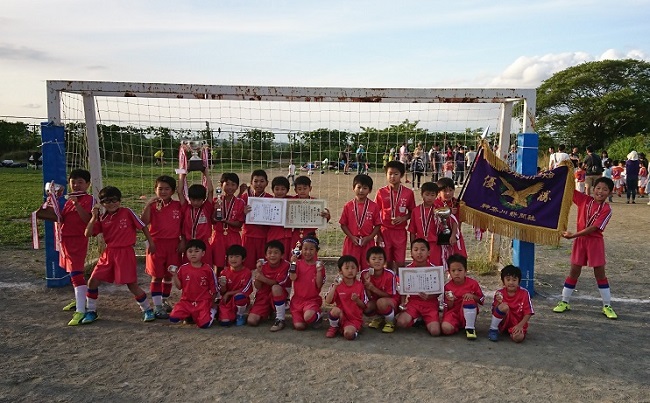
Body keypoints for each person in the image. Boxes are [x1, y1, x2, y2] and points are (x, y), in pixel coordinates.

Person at [82, 186, 156, 324]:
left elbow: (143, 226)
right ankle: (91, 310)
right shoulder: (102, 218)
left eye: (114, 200)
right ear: (102, 203)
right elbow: (87, 233)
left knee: (131, 284)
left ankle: (147, 309)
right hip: (109, 253)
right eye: (107, 201)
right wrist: (93, 217)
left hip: (125, 252)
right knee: (92, 281)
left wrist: (150, 242)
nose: (111, 204)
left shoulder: (127, 212)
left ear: (119, 200)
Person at [552, 177, 618, 320]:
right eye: (598, 188)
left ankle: (607, 305)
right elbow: (568, 189)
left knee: (599, 274)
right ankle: (565, 302)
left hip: (595, 243)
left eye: (605, 189)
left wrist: (573, 235)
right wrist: (565, 170)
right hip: (580, 242)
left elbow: (594, 228)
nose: (600, 192)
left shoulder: (607, 209)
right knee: (574, 271)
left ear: (609, 193)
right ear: (593, 189)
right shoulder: (585, 200)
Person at [36, 169, 94, 326]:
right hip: (65, 240)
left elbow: (88, 219)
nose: (76, 185)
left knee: (76, 273)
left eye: (80, 182)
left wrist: (77, 204)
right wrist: (49, 204)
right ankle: (79, 301)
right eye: (73, 182)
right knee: (71, 272)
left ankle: (82, 310)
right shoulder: (68, 200)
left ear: (88, 184)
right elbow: (61, 218)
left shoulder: (89, 199)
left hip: (77, 240)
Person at [141, 175, 183, 319]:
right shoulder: (153, 206)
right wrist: (147, 204)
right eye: (160, 189)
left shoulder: (178, 205)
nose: (163, 192)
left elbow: (183, 225)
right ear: (155, 189)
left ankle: (164, 301)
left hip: (173, 245)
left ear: (172, 191)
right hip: (156, 244)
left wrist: (182, 240)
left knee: (169, 275)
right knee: (156, 276)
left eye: (167, 189)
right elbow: (143, 222)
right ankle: (157, 306)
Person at [374, 160, 416, 270]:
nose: (392, 177)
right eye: (390, 174)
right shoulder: (381, 192)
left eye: (396, 174)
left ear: (401, 175)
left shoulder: (408, 193)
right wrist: (378, 234)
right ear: (386, 175)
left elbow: (412, 212)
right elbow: (375, 213)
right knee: (386, 262)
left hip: (400, 232)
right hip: (384, 231)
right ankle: (387, 285)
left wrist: (403, 218)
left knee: (400, 263)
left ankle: (398, 284)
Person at [396, 238, 441, 336]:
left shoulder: (434, 269)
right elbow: (403, 290)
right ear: (411, 253)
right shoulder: (407, 270)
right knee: (401, 323)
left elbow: (439, 290)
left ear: (428, 252)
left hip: (430, 304)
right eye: (416, 250)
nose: (419, 253)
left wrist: (430, 296)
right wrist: (403, 303)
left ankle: (427, 319)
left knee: (435, 332)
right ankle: (417, 319)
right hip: (414, 303)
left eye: (422, 249)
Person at [169, 239, 217, 328]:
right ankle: (190, 314)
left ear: (203, 253)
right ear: (186, 253)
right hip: (186, 301)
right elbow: (179, 287)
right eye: (190, 251)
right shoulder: (183, 268)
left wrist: (212, 302)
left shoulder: (207, 269)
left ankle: (212, 311)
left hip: (202, 302)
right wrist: (174, 275)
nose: (193, 254)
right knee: (173, 319)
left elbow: (214, 288)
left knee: (204, 325)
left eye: (196, 251)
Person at [339, 174, 382, 268]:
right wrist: (351, 236)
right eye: (359, 187)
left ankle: (366, 283)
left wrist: (370, 237)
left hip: (367, 242)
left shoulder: (374, 206)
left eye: (365, 188)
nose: (361, 190)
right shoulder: (348, 206)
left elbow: (378, 225)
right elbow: (343, 224)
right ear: (353, 188)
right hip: (351, 242)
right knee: (349, 267)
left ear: (369, 190)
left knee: (367, 269)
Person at [247, 240, 291, 331]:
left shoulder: (286, 265)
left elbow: (277, 283)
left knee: (275, 288)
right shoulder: (263, 266)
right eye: (269, 253)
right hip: (263, 297)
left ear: (282, 255)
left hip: (279, 295)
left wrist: (263, 278)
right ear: (266, 255)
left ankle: (280, 319)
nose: (272, 255)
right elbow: (258, 286)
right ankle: (268, 311)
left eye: (276, 252)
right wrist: (258, 273)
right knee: (252, 321)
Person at [441, 254, 484, 340]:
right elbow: (448, 307)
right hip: (453, 313)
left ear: (465, 271)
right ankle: (458, 326)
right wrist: (451, 300)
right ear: (449, 272)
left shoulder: (473, 284)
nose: (456, 273)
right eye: (453, 270)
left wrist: (472, 296)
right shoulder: (447, 287)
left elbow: (481, 299)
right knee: (445, 329)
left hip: (468, 312)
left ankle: (470, 328)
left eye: (460, 270)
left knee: (468, 299)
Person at [324, 255, 368, 340]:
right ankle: (334, 327)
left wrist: (357, 300)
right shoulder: (337, 285)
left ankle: (356, 329)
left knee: (348, 334)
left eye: (353, 268)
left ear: (357, 269)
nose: (350, 270)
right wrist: (334, 287)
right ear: (340, 271)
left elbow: (364, 306)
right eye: (347, 268)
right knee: (335, 310)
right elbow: (328, 301)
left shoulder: (360, 286)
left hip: (354, 319)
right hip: (341, 316)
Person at [488, 265, 534, 342]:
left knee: (518, 338)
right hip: (503, 322)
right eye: (508, 279)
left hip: (517, 323)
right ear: (503, 281)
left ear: (519, 281)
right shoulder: (500, 293)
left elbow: (528, 313)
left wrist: (520, 326)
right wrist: (498, 303)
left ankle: (513, 332)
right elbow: (494, 311)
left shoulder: (524, 293)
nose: (511, 282)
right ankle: (493, 329)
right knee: (504, 307)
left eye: (514, 280)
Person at [210, 173, 246, 274]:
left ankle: (231, 286)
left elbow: (239, 224)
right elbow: (212, 220)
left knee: (234, 265)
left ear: (237, 187)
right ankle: (218, 287)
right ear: (221, 185)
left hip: (233, 236)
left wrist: (226, 221)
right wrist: (215, 210)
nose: (230, 187)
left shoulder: (240, 202)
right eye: (227, 184)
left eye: (233, 184)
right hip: (218, 236)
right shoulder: (216, 200)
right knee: (219, 264)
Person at [288, 234, 325, 330]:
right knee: (299, 326)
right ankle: (306, 316)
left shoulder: (318, 266)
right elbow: (292, 277)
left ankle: (318, 315)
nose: (308, 252)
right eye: (305, 249)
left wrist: (319, 271)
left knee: (308, 317)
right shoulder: (298, 263)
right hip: (297, 301)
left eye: (311, 249)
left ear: (317, 250)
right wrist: (293, 263)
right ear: (301, 250)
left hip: (311, 300)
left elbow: (319, 284)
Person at [178, 169, 214, 267]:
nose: (196, 203)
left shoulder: (206, 207)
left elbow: (210, 191)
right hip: (189, 244)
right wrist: (183, 174)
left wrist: (205, 173)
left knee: (205, 269)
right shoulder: (186, 207)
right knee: (187, 269)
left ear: (203, 199)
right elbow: (180, 192)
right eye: (193, 200)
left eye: (199, 200)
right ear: (189, 198)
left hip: (204, 245)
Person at [360, 246, 400, 333]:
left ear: (385, 261)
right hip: (375, 299)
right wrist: (367, 286)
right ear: (368, 261)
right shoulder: (365, 274)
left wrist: (373, 288)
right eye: (373, 259)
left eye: (380, 259)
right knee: (365, 306)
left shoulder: (390, 274)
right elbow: (368, 296)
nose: (377, 261)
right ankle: (379, 318)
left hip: (391, 300)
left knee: (381, 302)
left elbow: (390, 295)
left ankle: (390, 321)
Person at [240, 169, 273, 267]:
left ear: (267, 183)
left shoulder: (271, 199)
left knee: (263, 266)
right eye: (256, 181)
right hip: (248, 236)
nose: (259, 184)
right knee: (246, 265)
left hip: (263, 237)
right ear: (251, 183)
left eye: (262, 181)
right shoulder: (244, 197)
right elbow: (237, 215)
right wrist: (243, 212)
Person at [291, 175, 331, 247]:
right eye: (299, 189)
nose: (302, 191)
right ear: (295, 190)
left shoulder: (316, 203)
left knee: (310, 255)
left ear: (310, 188)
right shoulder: (291, 202)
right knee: (294, 255)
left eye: (305, 188)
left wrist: (327, 217)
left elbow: (322, 219)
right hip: (295, 234)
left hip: (310, 235)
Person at [217, 244, 253, 326]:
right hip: (227, 301)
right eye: (231, 257)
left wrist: (228, 293)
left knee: (240, 297)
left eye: (237, 256)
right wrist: (223, 285)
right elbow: (222, 292)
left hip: (239, 299)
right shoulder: (224, 272)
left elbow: (245, 290)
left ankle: (240, 315)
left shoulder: (247, 272)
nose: (233, 259)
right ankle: (224, 313)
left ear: (243, 259)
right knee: (225, 323)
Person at [435, 177, 466, 258]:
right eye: (444, 191)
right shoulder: (435, 204)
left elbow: (458, 222)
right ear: (438, 192)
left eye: (451, 190)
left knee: (457, 259)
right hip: (438, 236)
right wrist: (448, 211)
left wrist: (454, 235)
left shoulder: (457, 203)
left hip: (454, 235)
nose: (448, 193)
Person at [266, 176, 293, 260]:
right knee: (273, 259)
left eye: (283, 189)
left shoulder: (293, 201)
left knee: (286, 260)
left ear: (287, 190)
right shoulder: (267, 202)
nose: (280, 192)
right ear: (272, 190)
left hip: (288, 237)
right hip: (274, 236)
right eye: (277, 189)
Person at [408, 182, 440, 249]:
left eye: (432, 195)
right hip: (420, 244)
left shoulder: (439, 210)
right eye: (427, 195)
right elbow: (412, 231)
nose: (429, 198)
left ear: (436, 195)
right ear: (422, 194)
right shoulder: (416, 211)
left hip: (435, 244)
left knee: (435, 259)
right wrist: (413, 246)